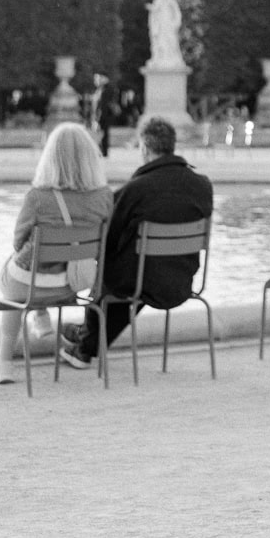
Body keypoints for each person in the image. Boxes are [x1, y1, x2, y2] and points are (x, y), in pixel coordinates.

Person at [60, 116, 212, 369]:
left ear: (144, 148)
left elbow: (108, 236)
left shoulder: (138, 188)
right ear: (172, 146)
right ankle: (86, 338)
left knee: (116, 268)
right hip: (181, 281)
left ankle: (87, 342)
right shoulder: (202, 185)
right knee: (140, 267)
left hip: (142, 283)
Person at [0, 123, 115, 384]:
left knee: (13, 280)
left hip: (26, 284)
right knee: (31, 273)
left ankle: (4, 363)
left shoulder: (37, 197)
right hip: (68, 287)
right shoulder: (104, 197)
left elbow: (18, 243)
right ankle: (40, 314)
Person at [89, 73, 115, 159]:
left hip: (101, 117)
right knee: (101, 135)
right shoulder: (99, 90)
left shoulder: (104, 91)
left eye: (97, 79)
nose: (95, 81)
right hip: (99, 117)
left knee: (101, 135)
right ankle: (101, 151)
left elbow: (102, 107)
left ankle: (102, 152)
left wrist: (97, 119)